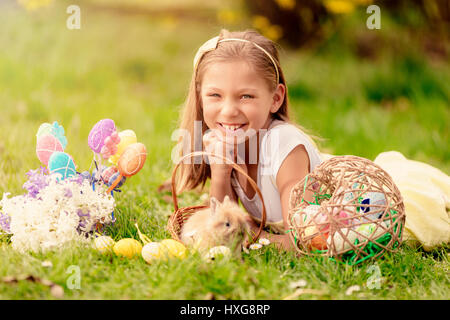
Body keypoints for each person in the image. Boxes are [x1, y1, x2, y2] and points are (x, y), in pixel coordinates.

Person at [173, 29, 322, 251]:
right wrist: (221, 172)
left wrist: (250, 232)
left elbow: (303, 244)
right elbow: (223, 223)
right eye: (215, 95)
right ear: (201, 98)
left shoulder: (285, 147)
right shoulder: (229, 142)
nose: (229, 111)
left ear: (276, 99)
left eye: (246, 96)